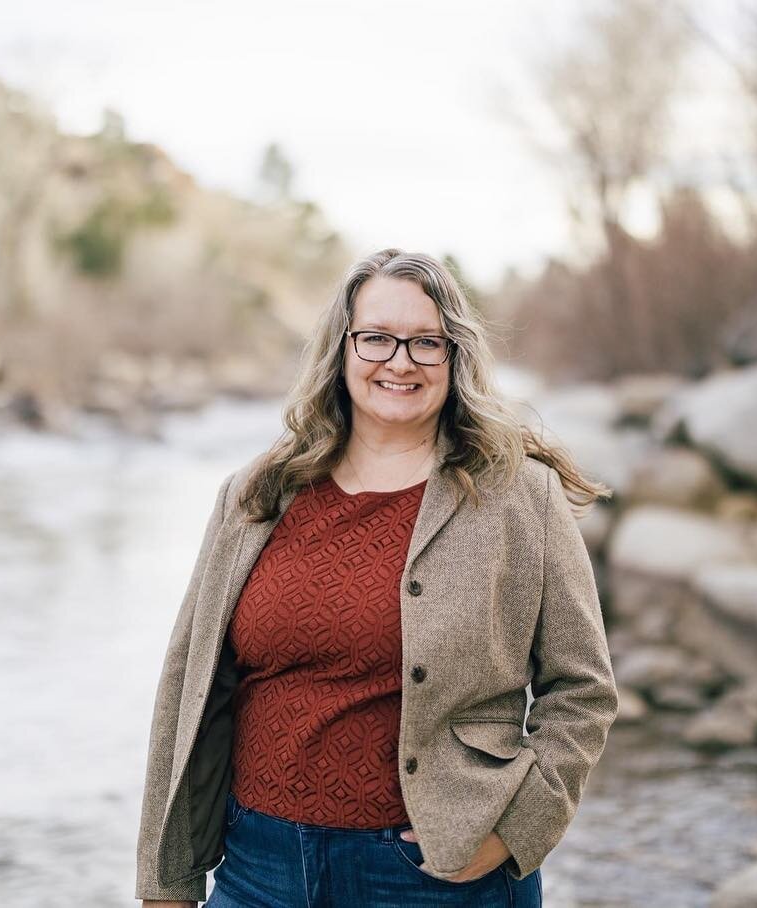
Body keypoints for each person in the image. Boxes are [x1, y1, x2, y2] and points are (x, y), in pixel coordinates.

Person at [135, 248, 619, 907]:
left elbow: (582, 689)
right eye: (377, 338)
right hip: (258, 872)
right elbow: (191, 688)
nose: (400, 361)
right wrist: (168, 881)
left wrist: (515, 830)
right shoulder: (255, 495)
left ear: (455, 357)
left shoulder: (517, 498)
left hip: (436, 878)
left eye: (426, 343)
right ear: (342, 349)